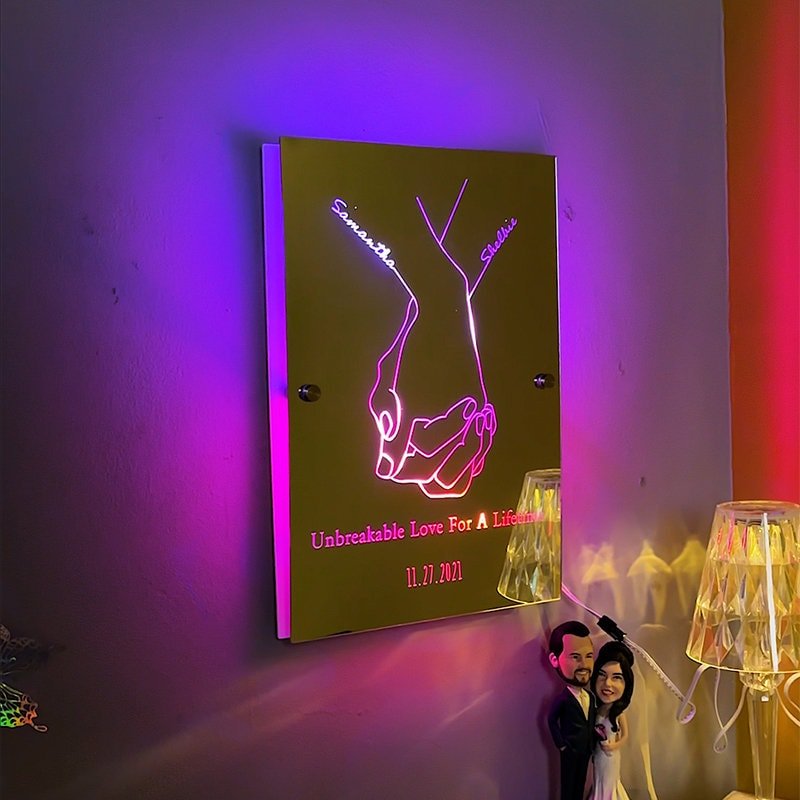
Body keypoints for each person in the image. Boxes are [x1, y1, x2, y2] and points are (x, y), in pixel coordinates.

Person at [547, 620, 596, 800]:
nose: (584, 664)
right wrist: (561, 745)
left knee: (581, 784)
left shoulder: (591, 697)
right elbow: (551, 720)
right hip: (570, 750)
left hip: (586, 750)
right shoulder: (563, 699)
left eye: (589, 656)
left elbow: (590, 721)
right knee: (568, 786)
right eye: (575, 657)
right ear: (554, 660)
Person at [588, 641, 635, 800]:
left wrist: (614, 746)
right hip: (598, 756)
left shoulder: (619, 714)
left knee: (609, 783)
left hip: (610, 757)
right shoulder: (596, 710)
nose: (607, 683)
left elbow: (625, 736)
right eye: (602, 675)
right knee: (598, 781)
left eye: (616, 677)